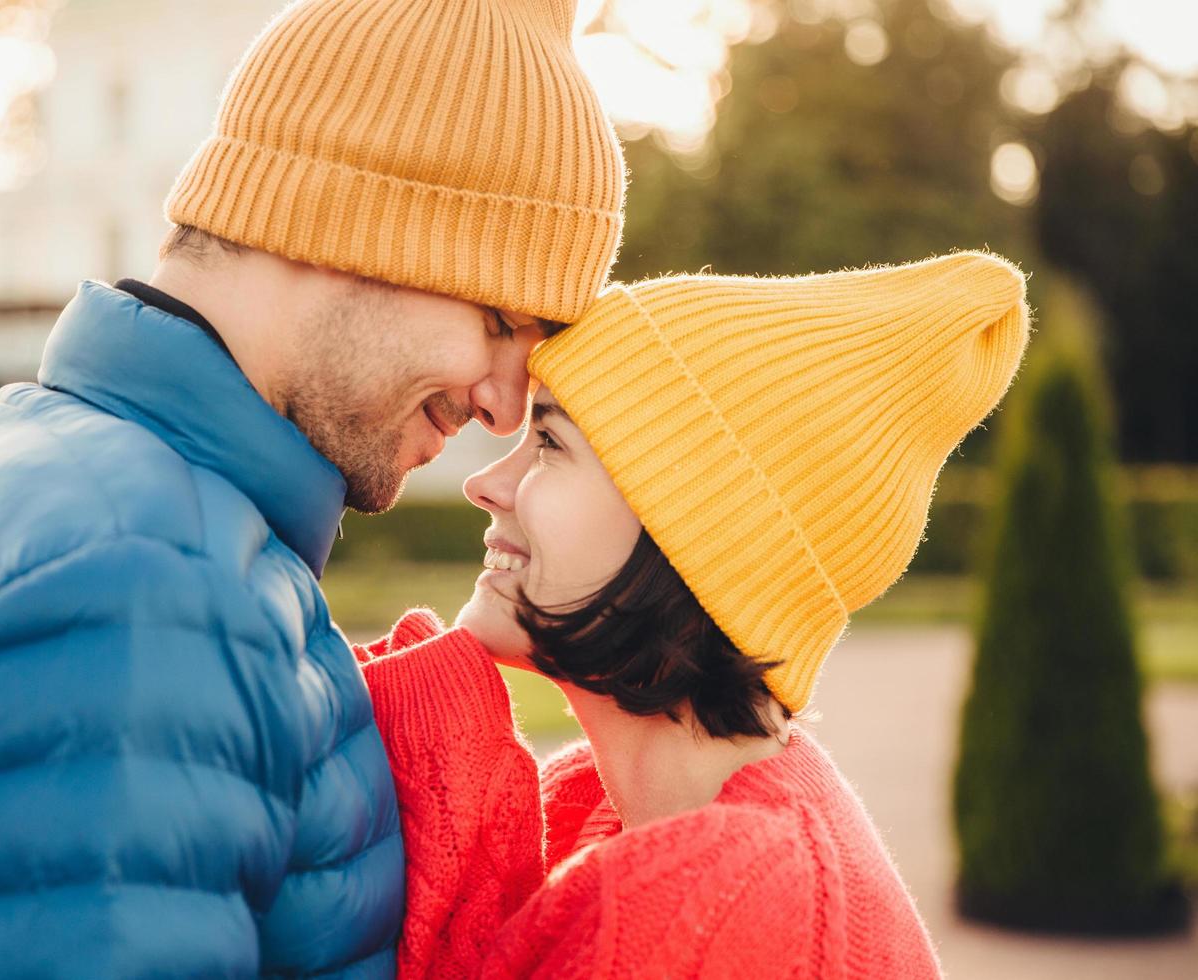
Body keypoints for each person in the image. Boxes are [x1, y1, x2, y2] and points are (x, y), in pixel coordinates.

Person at [0, 0, 625, 975]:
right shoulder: (131, 578)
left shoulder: (122, 502)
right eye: (499, 318)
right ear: (344, 223)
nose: (504, 406)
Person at [353, 251, 1030, 977]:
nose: (486, 484)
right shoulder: (604, 811)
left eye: (548, 442)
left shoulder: (730, 901)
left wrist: (423, 721)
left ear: (696, 534)